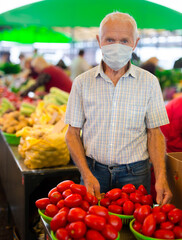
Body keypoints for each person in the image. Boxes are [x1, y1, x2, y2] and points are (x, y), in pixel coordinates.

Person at [65, 12, 172, 205]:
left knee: (132, 228)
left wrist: (162, 176)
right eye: (110, 39)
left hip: (135, 174)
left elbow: (154, 133)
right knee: (93, 229)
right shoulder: (82, 83)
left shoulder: (149, 82)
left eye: (124, 41)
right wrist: (85, 173)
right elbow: (72, 133)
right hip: (93, 172)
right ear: (99, 41)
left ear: (135, 43)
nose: (117, 46)